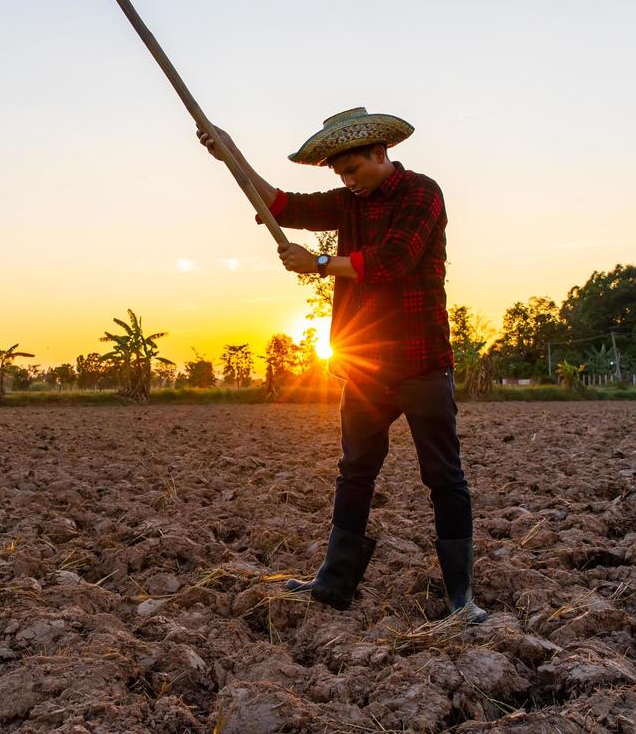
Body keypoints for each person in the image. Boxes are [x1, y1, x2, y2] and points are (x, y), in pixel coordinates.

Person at [197, 108, 487, 623]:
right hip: (366, 367)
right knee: (355, 471)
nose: (347, 182)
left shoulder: (422, 193)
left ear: (380, 154)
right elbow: (283, 206)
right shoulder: (349, 202)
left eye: (353, 170)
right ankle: (335, 583)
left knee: (443, 475)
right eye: (339, 175)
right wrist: (230, 156)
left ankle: (461, 596)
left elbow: (392, 262)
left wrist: (321, 264)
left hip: (421, 362)